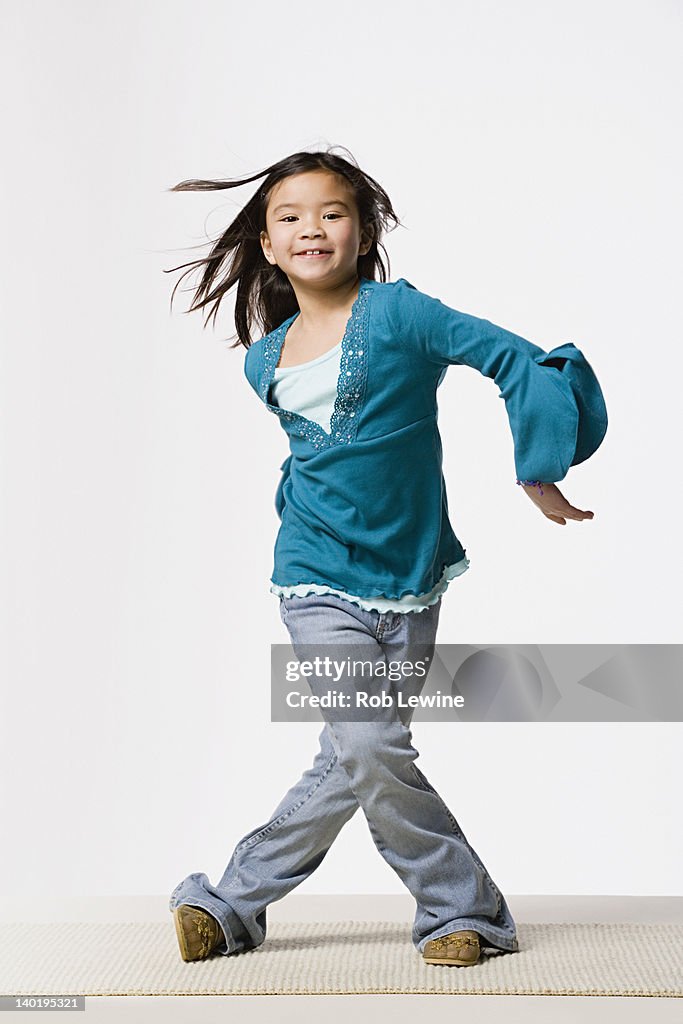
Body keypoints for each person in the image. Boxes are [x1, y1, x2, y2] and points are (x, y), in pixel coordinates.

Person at [165, 146, 608, 968]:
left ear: (362, 231)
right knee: (370, 746)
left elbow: (512, 356)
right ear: (266, 245)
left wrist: (538, 464)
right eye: (288, 218)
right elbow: (314, 462)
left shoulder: (401, 314)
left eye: (331, 213)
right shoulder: (265, 361)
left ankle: (228, 904)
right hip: (312, 577)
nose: (311, 229)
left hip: (408, 578)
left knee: (355, 751)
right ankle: (458, 911)